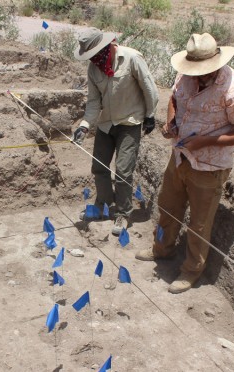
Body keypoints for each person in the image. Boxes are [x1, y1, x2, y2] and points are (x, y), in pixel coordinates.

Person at [136, 33, 234, 294]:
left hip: (209, 167)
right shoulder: (186, 75)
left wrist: (205, 142)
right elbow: (174, 99)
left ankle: (191, 271)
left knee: (199, 223)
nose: (196, 76)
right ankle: (162, 249)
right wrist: (172, 122)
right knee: (167, 207)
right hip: (179, 156)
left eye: (202, 72)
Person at [73, 28, 159, 236]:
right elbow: (94, 102)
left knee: (123, 171)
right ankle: (103, 203)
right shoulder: (94, 69)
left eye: (97, 55)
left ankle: (123, 212)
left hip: (129, 122)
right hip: (106, 124)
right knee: (99, 167)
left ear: (108, 46)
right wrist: (84, 125)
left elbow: (150, 89)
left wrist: (150, 115)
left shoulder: (132, 58)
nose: (95, 60)